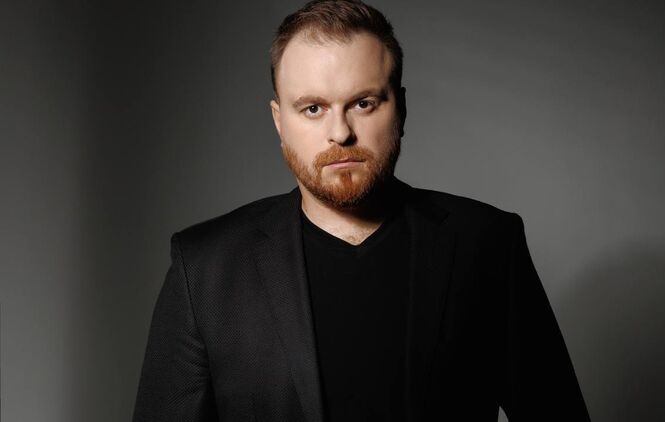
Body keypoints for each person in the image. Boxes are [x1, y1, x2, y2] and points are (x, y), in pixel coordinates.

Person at [132, 1, 590, 421]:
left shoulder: (487, 244)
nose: (340, 132)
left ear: (401, 108)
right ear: (279, 121)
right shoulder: (204, 268)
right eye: (313, 108)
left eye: (363, 103)